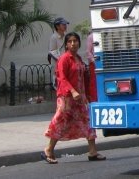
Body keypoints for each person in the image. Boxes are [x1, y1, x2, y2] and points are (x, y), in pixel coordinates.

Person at [42, 32, 106, 164]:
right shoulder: (64, 59)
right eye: (70, 41)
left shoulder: (78, 58)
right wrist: (73, 91)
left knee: (88, 121)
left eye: (75, 41)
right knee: (61, 123)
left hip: (80, 98)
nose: (73, 44)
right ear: (66, 44)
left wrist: (87, 95)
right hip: (66, 98)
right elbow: (62, 78)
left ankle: (93, 151)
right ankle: (48, 149)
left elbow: (85, 78)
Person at [48, 17, 69, 89]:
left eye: (65, 24)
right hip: (57, 62)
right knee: (58, 81)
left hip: (66, 61)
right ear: (57, 26)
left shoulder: (66, 35)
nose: (65, 26)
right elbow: (52, 51)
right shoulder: (54, 37)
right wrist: (61, 58)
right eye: (63, 24)